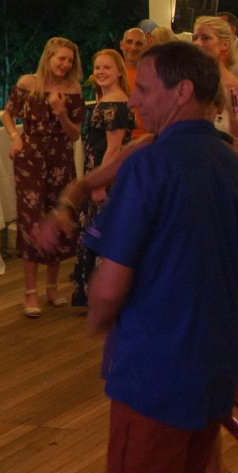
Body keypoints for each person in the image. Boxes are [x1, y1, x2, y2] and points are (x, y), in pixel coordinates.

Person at [82, 41, 238, 473]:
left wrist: (95, 320)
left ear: (182, 91)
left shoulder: (147, 166)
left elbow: (109, 289)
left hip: (153, 376)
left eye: (144, 90)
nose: (133, 101)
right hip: (216, 372)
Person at [1, 37, 84, 318]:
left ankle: (52, 286)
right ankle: (30, 291)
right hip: (31, 158)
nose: (65, 64)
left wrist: (61, 114)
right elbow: (7, 115)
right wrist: (16, 138)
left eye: (70, 60)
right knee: (31, 221)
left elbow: (75, 134)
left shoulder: (73, 89)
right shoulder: (28, 84)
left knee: (58, 217)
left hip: (61, 158)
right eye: (61, 58)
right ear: (48, 57)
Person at [70, 49, 133, 309]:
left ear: (119, 71)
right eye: (97, 67)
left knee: (102, 232)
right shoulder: (104, 101)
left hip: (106, 179)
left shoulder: (115, 105)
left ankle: (104, 295)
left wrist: (100, 184)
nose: (101, 72)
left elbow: (114, 149)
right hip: (97, 174)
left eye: (107, 67)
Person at [192, 15, 238, 138]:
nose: (197, 43)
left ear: (224, 45)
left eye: (205, 38)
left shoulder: (236, 88)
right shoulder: (188, 82)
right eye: (195, 38)